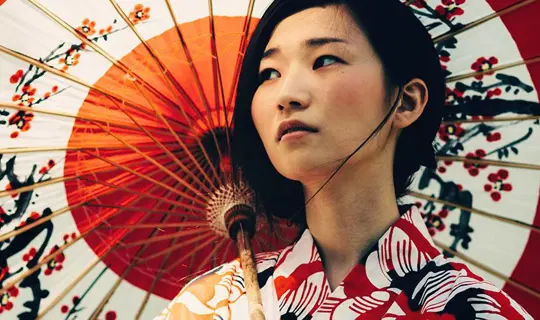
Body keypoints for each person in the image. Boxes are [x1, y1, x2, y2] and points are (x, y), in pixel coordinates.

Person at [155, 0, 532, 319]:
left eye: (324, 60)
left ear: (407, 101)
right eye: (269, 73)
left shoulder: (475, 309)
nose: (286, 94)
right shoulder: (213, 305)